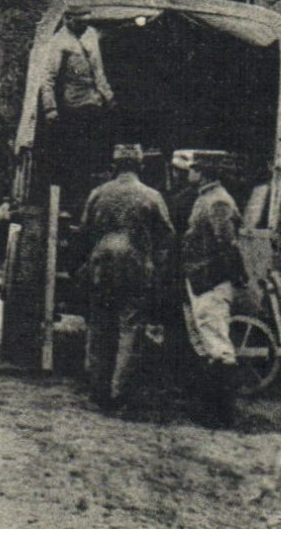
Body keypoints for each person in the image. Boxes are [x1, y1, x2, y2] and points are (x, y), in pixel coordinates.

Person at [78, 144, 174, 409]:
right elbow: (166, 235)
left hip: (101, 267)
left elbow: (84, 230)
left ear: (114, 165)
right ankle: (119, 394)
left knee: (99, 328)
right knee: (129, 329)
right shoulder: (152, 196)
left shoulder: (98, 193)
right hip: (135, 268)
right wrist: (155, 263)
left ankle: (97, 393)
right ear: (140, 165)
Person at [178, 152, 248, 429]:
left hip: (211, 281)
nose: (188, 173)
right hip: (201, 279)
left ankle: (222, 414)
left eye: (192, 168)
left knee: (218, 347)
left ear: (203, 171)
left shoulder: (217, 200)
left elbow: (227, 244)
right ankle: (211, 409)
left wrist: (236, 276)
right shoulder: (208, 197)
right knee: (207, 345)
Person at [40, 6, 116, 212]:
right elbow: (48, 78)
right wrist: (50, 108)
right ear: (68, 20)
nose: (83, 25)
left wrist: (108, 96)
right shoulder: (59, 42)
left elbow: (98, 71)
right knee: (77, 155)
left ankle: (99, 198)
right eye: (79, 21)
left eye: (85, 21)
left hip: (96, 101)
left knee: (99, 153)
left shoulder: (91, 34)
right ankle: (76, 202)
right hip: (74, 105)